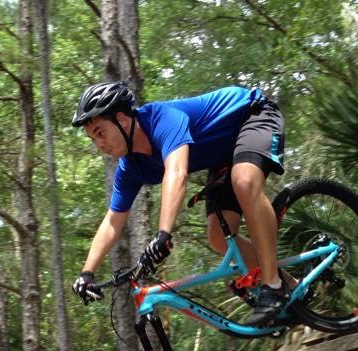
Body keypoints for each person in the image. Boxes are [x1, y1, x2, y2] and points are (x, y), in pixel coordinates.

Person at [70, 81, 287, 327]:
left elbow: (177, 172)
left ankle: (273, 286)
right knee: (218, 236)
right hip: (225, 154)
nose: (99, 145)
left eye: (100, 132)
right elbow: (112, 221)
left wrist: (164, 234)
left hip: (252, 115)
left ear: (123, 119)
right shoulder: (129, 168)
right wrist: (87, 273)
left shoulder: (162, 119)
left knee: (245, 182)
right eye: (92, 139)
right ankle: (289, 285)